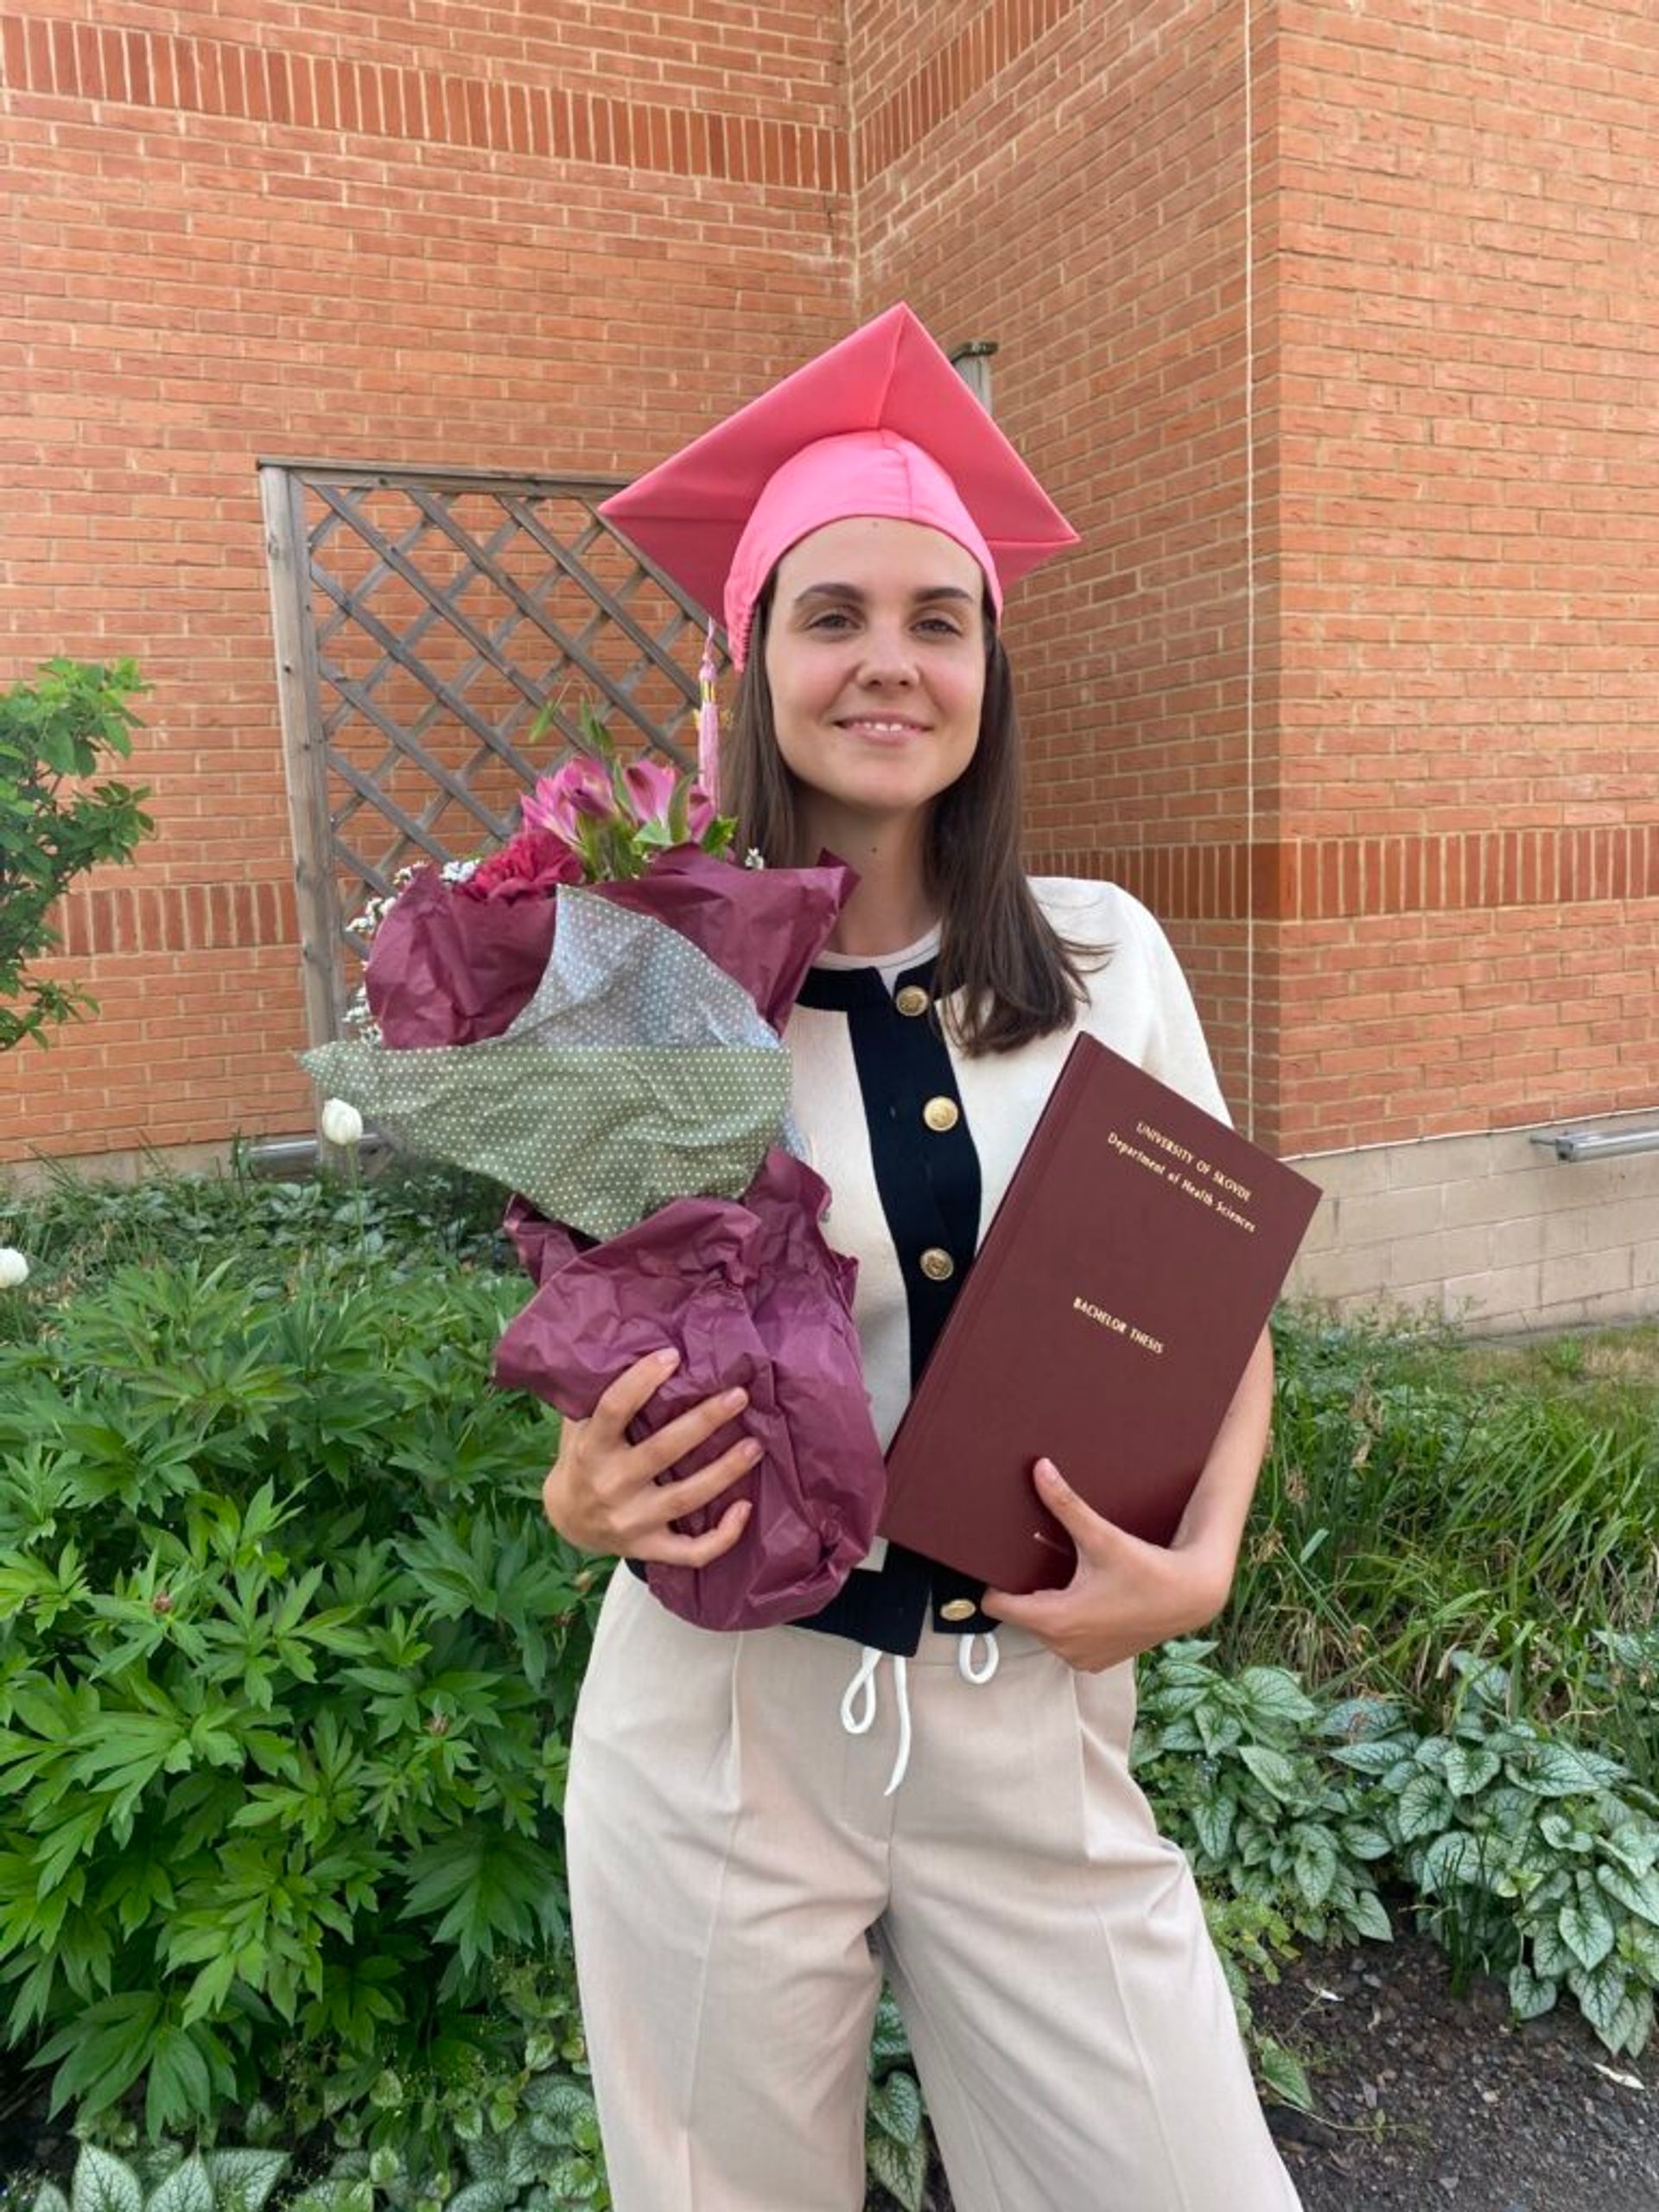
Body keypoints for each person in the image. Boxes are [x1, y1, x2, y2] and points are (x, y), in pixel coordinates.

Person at [542, 305, 1301, 2212]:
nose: (889, 659)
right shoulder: (648, 990)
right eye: (832, 613)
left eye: (935, 618)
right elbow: (591, 1351)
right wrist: (579, 1487)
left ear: (988, 669)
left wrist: (1200, 1562)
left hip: (1023, 1720)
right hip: (724, 1724)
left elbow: (1218, 1319)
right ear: (753, 660)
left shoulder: (1109, 957)